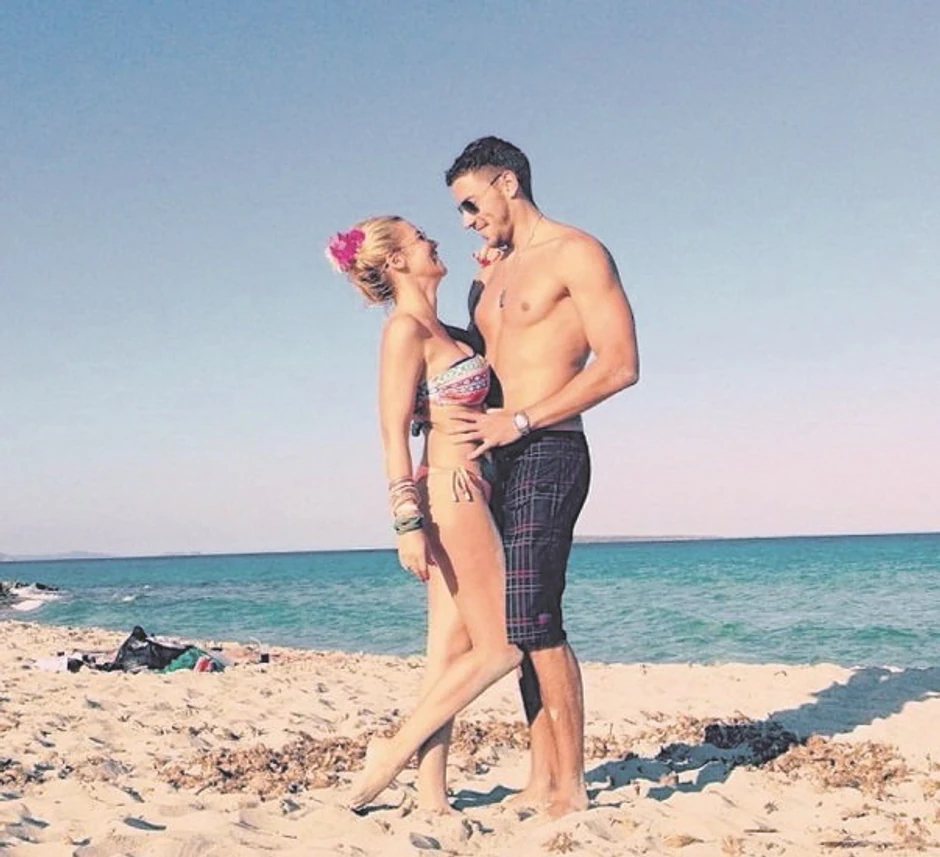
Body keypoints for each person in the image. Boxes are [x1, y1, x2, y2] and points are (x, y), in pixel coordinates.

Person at [443, 136, 639, 818]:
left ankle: (571, 784)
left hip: (549, 446)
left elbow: (620, 364)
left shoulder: (577, 252)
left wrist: (521, 420)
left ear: (507, 183)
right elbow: (480, 360)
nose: (468, 220)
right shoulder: (490, 273)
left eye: (472, 204)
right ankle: (540, 775)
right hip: (492, 453)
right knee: (508, 620)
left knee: (535, 614)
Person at [325, 217, 522, 812]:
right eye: (417, 238)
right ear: (395, 261)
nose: (432, 240)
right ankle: (390, 754)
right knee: (503, 647)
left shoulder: (444, 329)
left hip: (471, 486)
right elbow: (391, 433)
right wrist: (406, 522)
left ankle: (432, 793)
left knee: (447, 656)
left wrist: (492, 274)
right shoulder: (403, 331)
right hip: (449, 490)